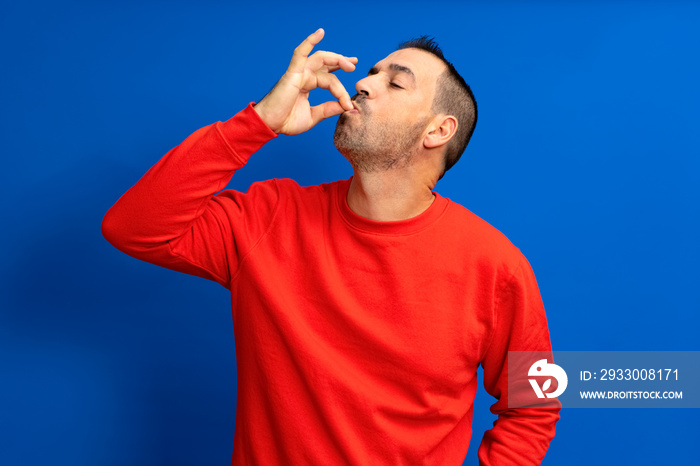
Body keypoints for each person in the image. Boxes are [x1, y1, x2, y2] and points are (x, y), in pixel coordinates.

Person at [102, 29, 560, 465]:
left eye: (395, 82)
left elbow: (534, 403)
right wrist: (259, 121)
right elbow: (133, 227)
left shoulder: (495, 266)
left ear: (438, 131)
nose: (363, 83)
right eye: (372, 72)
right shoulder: (269, 217)